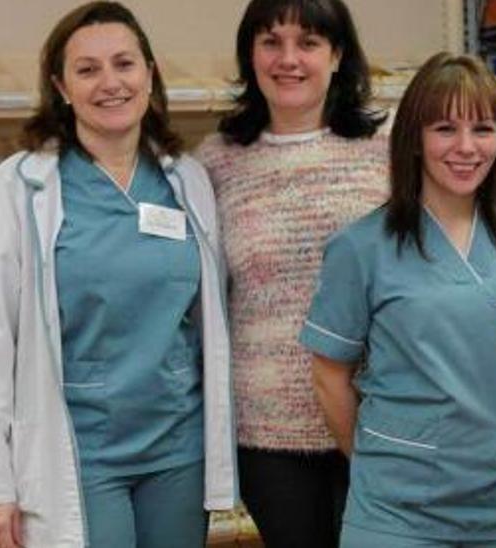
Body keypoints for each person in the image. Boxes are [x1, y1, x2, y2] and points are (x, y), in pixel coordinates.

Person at [0, 3, 235, 547]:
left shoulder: (187, 182)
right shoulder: (20, 187)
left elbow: (200, 324)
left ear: (150, 74)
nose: (110, 83)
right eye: (87, 69)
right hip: (77, 451)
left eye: (124, 64)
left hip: (177, 450)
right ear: (61, 86)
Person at [301, 52, 496, 548]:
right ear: (414, 138)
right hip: (397, 515)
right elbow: (330, 376)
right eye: (444, 129)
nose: (465, 147)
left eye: (483, 128)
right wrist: (387, 457)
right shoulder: (362, 248)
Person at [193, 0, 387, 545]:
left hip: (379, 414)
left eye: (308, 43)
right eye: (271, 42)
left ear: (338, 54)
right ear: (249, 55)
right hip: (267, 433)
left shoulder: (387, 150)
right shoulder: (217, 161)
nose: (289, 59)